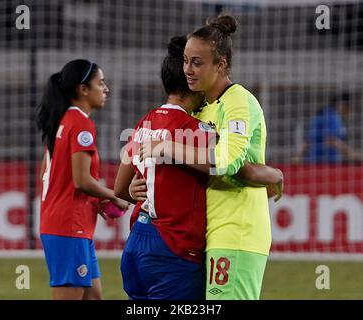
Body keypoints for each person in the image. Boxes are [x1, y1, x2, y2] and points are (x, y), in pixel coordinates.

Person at [115, 35, 282, 300]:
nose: (190, 70)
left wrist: (138, 188)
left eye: (196, 63)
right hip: (175, 245)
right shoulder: (197, 127)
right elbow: (231, 164)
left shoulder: (144, 124)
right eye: (186, 63)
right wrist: (274, 173)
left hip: (139, 240)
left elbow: (119, 188)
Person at [36, 59, 129, 300]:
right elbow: (81, 180)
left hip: (68, 225)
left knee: (93, 296)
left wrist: (93, 200)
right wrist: (113, 196)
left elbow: (52, 174)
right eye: (101, 83)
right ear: (83, 89)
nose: (106, 89)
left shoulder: (62, 122)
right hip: (69, 227)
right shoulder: (81, 125)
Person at [293, 91, 362, 164]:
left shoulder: (324, 114)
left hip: (313, 161)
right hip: (325, 162)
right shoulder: (332, 117)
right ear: (343, 105)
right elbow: (330, 139)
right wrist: (353, 154)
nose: (351, 111)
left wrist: (297, 155)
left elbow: (308, 140)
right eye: (350, 107)